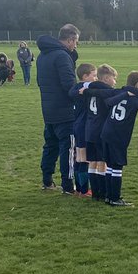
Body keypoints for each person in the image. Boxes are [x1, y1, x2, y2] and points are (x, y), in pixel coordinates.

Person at [35, 23, 80, 193]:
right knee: (68, 149)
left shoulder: (43, 55)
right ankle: (68, 186)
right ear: (70, 40)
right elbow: (69, 84)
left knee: (50, 145)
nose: (76, 46)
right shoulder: (61, 56)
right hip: (65, 111)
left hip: (48, 108)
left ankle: (47, 180)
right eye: (76, 42)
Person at [99, 70, 138, 207]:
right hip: (118, 136)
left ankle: (108, 196)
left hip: (106, 132)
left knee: (109, 166)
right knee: (117, 167)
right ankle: (115, 198)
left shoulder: (118, 93)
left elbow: (108, 102)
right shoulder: (133, 99)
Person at [68, 63, 97, 197]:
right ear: (85, 76)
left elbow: (71, 93)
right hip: (85, 126)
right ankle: (84, 190)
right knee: (84, 159)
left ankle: (79, 189)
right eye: (94, 75)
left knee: (79, 158)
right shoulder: (85, 89)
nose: (96, 78)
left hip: (77, 125)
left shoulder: (76, 87)